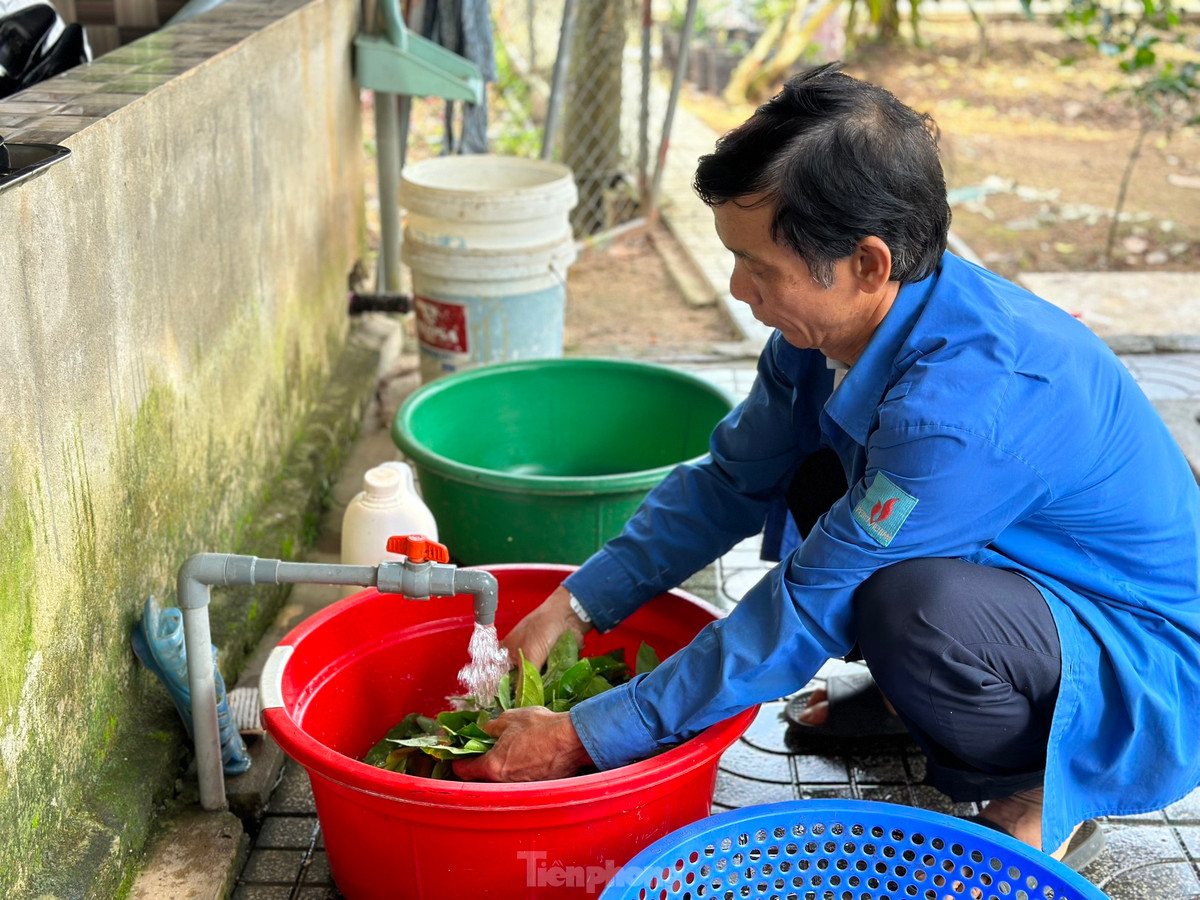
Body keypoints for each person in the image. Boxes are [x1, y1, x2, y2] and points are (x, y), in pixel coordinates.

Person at [453, 62, 1200, 864]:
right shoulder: (824, 337)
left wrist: (585, 735)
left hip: (1138, 649)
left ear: (869, 264)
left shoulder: (962, 407)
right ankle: (915, 694)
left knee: (906, 604)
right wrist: (576, 606)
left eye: (760, 267)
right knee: (819, 484)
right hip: (1014, 575)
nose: (740, 289)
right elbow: (730, 480)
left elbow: (810, 602)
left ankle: (1039, 786)